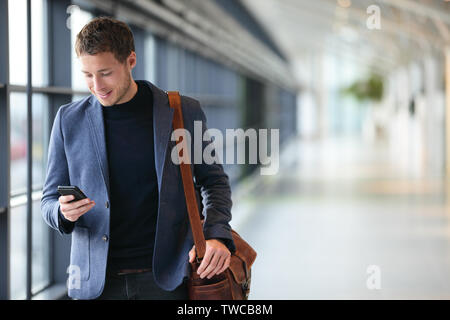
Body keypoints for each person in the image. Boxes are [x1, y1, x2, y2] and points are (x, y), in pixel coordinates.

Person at [40, 16, 235, 300]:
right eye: (87, 74)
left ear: (131, 60)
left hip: (168, 279)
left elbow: (214, 182)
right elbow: (47, 201)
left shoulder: (181, 113)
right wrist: (61, 212)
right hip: (97, 283)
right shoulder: (68, 121)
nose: (96, 85)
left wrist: (217, 233)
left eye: (105, 73)